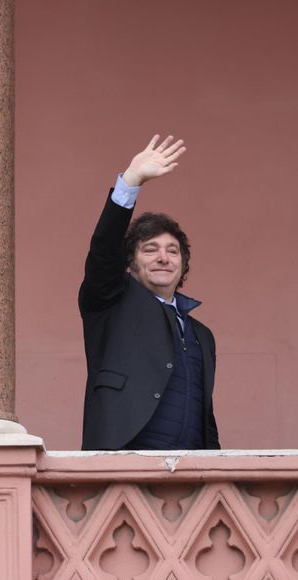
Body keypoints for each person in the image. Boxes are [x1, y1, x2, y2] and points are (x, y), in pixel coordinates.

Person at [79, 134, 219, 451]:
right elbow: (103, 253)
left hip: (190, 478)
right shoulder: (110, 302)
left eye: (172, 251)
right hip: (121, 465)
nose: (162, 258)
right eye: (150, 249)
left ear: (184, 265)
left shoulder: (202, 335)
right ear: (131, 263)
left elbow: (205, 417)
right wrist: (131, 182)